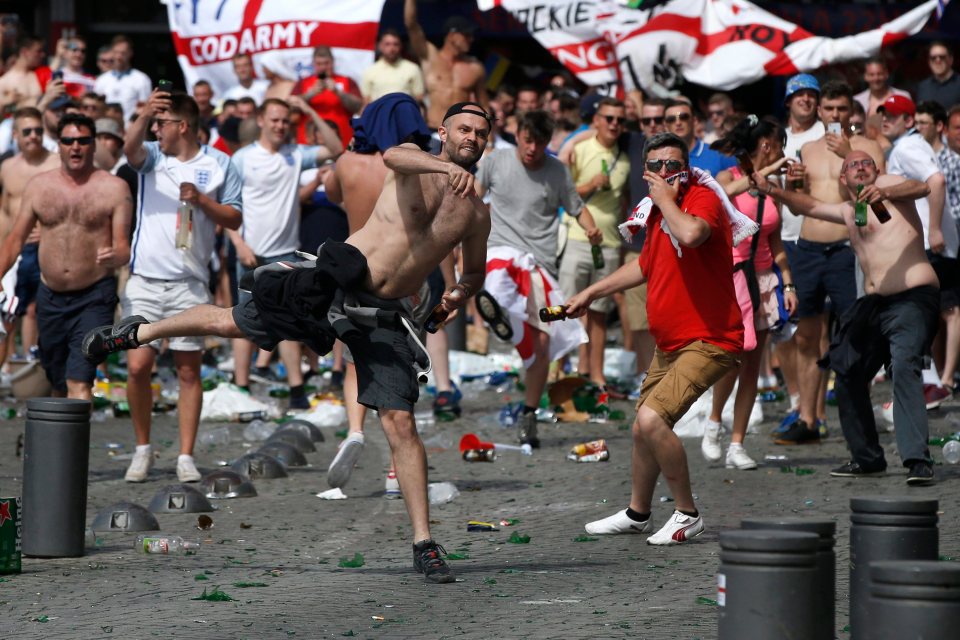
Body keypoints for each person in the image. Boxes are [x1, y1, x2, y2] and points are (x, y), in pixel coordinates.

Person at [84, 102, 495, 584]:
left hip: (384, 313)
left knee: (401, 422)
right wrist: (445, 165)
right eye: (463, 129)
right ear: (442, 132)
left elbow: (473, 273)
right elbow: (393, 158)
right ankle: (138, 331)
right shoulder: (413, 160)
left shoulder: (475, 214)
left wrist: (454, 297)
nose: (472, 137)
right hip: (336, 279)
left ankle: (424, 543)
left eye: (481, 133)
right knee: (232, 323)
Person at [570, 132, 742, 544]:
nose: (666, 173)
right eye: (658, 166)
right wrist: (593, 292)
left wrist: (665, 198)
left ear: (686, 167)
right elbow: (645, 265)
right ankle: (637, 512)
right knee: (639, 428)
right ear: (646, 171)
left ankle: (687, 513)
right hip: (672, 343)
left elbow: (693, 235)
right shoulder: (655, 210)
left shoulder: (701, 197)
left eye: (673, 165)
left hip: (711, 338)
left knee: (652, 419)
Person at [755, 150, 938, 485]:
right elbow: (807, 206)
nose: (860, 167)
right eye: (852, 165)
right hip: (872, 305)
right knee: (847, 370)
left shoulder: (892, 187)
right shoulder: (848, 210)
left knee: (904, 365)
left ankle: (917, 461)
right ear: (843, 179)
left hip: (913, 296)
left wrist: (887, 191)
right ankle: (867, 458)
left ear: (877, 169)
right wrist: (773, 190)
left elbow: (922, 187)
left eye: (866, 162)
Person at [119, 89, 242, 483]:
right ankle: (142, 448)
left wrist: (203, 201)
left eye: (162, 123)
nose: (156, 129)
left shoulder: (221, 164)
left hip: (190, 283)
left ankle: (185, 455)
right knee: (138, 365)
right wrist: (143, 113)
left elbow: (235, 218)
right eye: (154, 124)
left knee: (189, 371)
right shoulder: (153, 157)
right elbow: (129, 147)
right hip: (145, 282)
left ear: (184, 125)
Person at [322, 92, 434, 495]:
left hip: (354, 267)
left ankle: (354, 430)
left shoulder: (349, 163)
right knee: (397, 367)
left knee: (354, 358)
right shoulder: (414, 169)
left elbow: (331, 192)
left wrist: (349, 148)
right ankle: (394, 468)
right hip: (404, 273)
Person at [477, 109, 599, 447]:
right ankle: (498, 314)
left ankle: (528, 415)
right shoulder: (495, 161)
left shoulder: (557, 171)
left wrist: (591, 227)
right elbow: (471, 197)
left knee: (543, 345)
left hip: (541, 265)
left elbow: (576, 207)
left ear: (548, 142)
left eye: (541, 142)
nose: (533, 148)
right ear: (518, 134)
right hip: (500, 250)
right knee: (497, 283)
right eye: (528, 140)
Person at [776, 80, 886, 445]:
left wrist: (850, 152)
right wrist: (792, 187)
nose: (836, 116)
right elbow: (797, 205)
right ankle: (808, 418)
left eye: (842, 109)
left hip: (845, 249)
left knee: (851, 336)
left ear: (850, 112)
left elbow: (871, 201)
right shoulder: (807, 148)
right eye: (830, 109)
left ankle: (857, 421)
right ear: (820, 111)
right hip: (808, 248)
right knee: (806, 336)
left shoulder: (866, 147)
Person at [0, 113, 130, 399]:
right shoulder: (39, 186)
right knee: (57, 381)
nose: (76, 147)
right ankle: (59, 444)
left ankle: (76, 445)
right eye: (69, 140)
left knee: (79, 380)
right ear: (58, 145)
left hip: (94, 295)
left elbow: (124, 248)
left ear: (93, 145)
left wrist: (115, 255)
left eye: (83, 141)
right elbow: (15, 239)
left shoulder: (113, 188)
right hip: (51, 296)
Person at [228, 97, 342, 408]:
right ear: (261, 120)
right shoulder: (242, 158)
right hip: (251, 252)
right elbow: (227, 207)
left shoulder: (295, 155)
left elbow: (335, 149)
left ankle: (296, 390)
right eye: (274, 120)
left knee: (290, 322)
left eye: (285, 121)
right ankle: (240, 386)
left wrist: (310, 112)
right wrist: (239, 244)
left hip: (286, 255)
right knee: (241, 320)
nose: (280, 126)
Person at [701, 116, 797, 470]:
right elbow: (722, 197)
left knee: (753, 364)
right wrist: (761, 175)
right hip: (732, 274)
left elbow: (776, 241)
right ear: (768, 145)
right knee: (736, 351)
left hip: (763, 277)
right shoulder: (728, 177)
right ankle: (714, 422)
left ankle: (737, 444)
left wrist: (787, 282)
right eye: (780, 145)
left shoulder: (771, 188)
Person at [878, 94, 953, 405]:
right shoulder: (914, 144)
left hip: (922, 243)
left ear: (908, 121)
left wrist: (934, 228)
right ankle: (929, 382)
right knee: (921, 315)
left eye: (892, 116)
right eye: (883, 114)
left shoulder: (908, 147)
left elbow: (936, 181)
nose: (885, 120)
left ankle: (928, 385)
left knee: (911, 315)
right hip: (924, 242)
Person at [560, 97, 630, 388]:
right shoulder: (580, 149)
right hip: (577, 238)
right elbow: (562, 191)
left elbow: (623, 201)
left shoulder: (625, 158)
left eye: (619, 120)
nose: (614, 124)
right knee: (565, 310)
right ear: (597, 121)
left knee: (599, 313)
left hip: (610, 243)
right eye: (609, 118)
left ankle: (596, 375)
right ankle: (561, 373)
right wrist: (590, 185)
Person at [775, 74, 826, 423]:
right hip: (782, 238)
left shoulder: (826, 137)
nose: (805, 100)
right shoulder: (778, 140)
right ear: (788, 101)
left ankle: (817, 409)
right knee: (781, 325)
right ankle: (796, 398)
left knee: (816, 331)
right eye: (799, 95)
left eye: (811, 95)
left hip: (818, 239)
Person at [0, 108, 58, 364]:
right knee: (8, 312)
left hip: (48, 248)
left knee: (37, 310)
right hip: (13, 248)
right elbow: (4, 208)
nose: (33, 136)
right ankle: (10, 367)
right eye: (27, 131)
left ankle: (35, 360)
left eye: (38, 130)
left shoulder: (57, 163)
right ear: (15, 135)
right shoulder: (7, 167)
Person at [404, 0, 489, 129]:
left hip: (460, 132)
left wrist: (490, 138)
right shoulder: (430, 56)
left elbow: (484, 105)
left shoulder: (475, 68)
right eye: (466, 35)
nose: (471, 39)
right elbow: (411, 24)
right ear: (452, 36)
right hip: (433, 129)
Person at [297, 46, 361, 146]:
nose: (323, 67)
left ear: (332, 62)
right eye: (319, 64)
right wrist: (310, 94)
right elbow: (290, 106)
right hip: (310, 144)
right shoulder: (303, 83)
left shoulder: (347, 81)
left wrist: (338, 92)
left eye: (326, 63)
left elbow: (358, 106)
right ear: (313, 64)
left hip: (342, 141)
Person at [663, 99, 736, 176]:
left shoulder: (720, 154)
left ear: (694, 120)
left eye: (683, 117)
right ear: (665, 125)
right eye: (671, 119)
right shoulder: (659, 160)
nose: (678, 123)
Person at [94, 35, 152, 122]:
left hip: (131, 130)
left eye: (123, 53)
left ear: (130, 53)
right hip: (106, 129)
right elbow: (96, 107)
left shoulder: (142, 79)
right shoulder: (101, 80)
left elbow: (145, 109)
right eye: (116, 52)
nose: (119, 56)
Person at [361, 29, 425, 105]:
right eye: (387, 44)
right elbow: (366, 100)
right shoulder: (370, 71)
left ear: (401, 46)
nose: (392, 48)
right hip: (380, 115)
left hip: (405, 114)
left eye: (395, 44)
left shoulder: (413, 68)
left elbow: (419, 97)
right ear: (380, 46)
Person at [0, 34, 49, 109]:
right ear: (25, 52)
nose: (43, 55)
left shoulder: (41, 74)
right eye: (38, 51)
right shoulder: (5, 81)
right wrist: (5, 103)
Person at [916, 42, 960, 111]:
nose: (937, 60)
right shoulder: (923, 86)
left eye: (942, 57)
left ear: (951, 60)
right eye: (933, 58)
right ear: (929, 62)